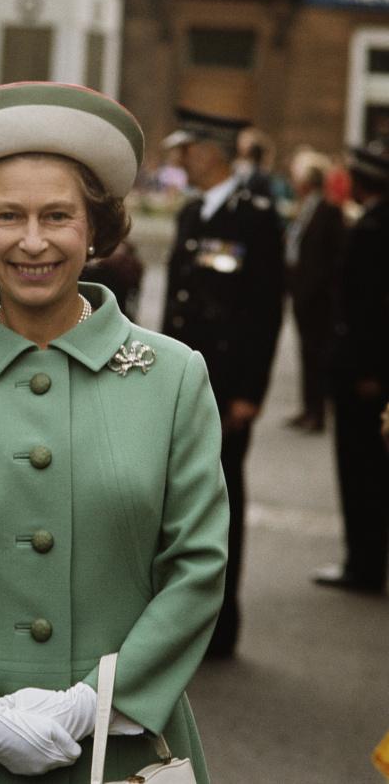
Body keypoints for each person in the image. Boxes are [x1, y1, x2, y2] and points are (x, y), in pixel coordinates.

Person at [0, 82, 229, 783]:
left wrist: (95, 704)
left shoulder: (174, 375)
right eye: (7, 216)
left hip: (124, 746)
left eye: (58, 216)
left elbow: (198, 566)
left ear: (94, 228)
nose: (33, 241)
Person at [161, 106, 284, 659]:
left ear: (209, 152)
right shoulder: (193, 213)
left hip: (226, 387)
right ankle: (178, 620)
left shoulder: (255, 217)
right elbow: (177, 305)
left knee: (222, 503)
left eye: (184, 150)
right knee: (176, 502)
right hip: (181, 384)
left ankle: (219, 626)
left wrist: (249, 393)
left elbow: (264, 313)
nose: (178, 160)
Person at [313, 138, 389, 594]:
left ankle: (362, 565)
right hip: (371, 369)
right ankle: (367, 560)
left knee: (359, 471)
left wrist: (368, 372)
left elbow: (368, 311)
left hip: (364, 372)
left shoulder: (373, 230)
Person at [284, 148, 345, 432]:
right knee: (306, 354)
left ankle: (317, 413)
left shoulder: (329, 211)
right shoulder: (305, 207)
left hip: (318, 301)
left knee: (317, 356)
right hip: (302, 296)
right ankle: (308, 408)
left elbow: (332, 260)